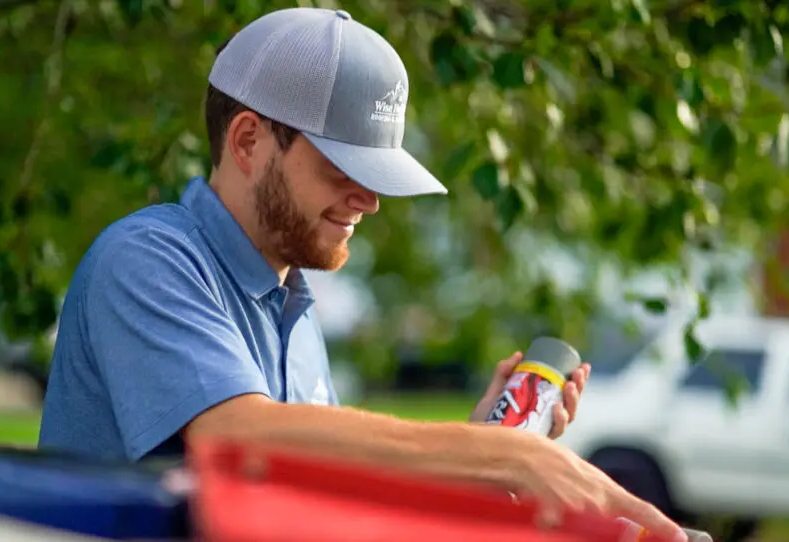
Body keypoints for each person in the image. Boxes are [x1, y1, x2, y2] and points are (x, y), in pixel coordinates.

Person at [38, 7, 685, 540]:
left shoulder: (291, 301)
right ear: (247, 142)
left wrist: (478, 444)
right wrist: (510, 455)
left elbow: (307, 493)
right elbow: (240, 437)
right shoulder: (149, 259)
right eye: (341, 168)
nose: (370, 201)